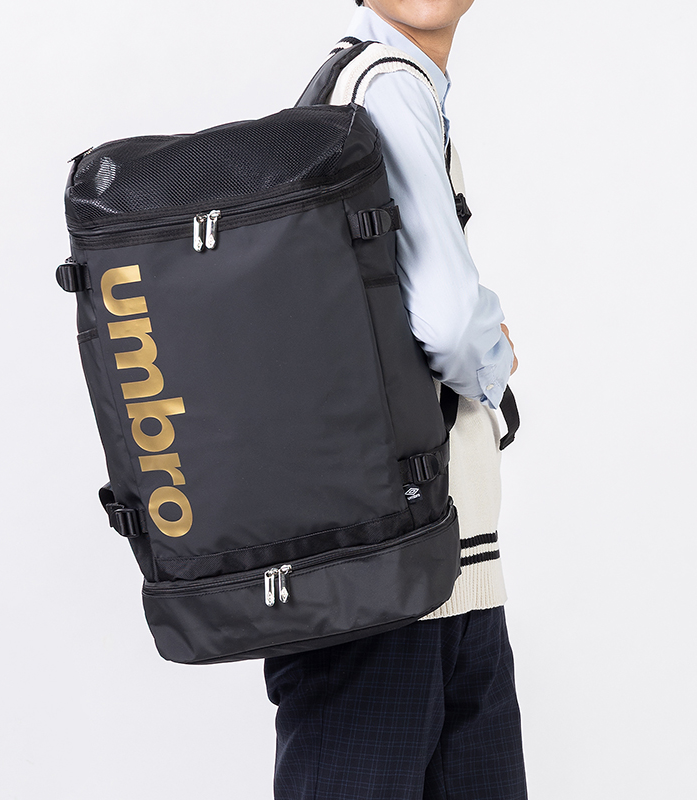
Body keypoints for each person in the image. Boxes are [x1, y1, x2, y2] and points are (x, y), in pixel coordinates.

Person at [263, 2, 528, 798]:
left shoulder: (351, 87)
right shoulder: (389, 87)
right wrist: (495, 355)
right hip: (396, 578)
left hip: (429, 571)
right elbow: (447, 322)